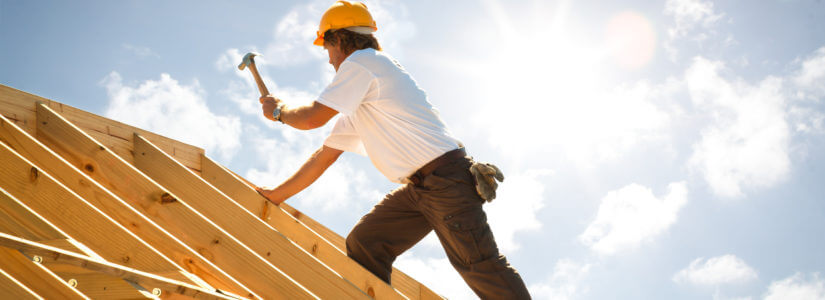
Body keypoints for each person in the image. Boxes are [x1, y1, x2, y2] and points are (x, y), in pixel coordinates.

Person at [255, 1, 531, 298]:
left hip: (445, 180)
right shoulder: (362, 97)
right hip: (420, 188)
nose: (330, 61)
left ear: (338, 40)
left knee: (479, 266)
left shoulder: (362, 63)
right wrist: (275, 196)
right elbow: (324, 157)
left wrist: (278, 112)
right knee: (366, 242)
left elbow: (310, 118)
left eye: (327, 49)